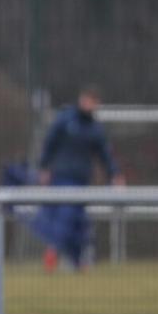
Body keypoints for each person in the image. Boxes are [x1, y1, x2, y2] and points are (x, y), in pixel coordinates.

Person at [33, 85, 124, 271]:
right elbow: (50, 143)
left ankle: (77, 261)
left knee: (78, 222)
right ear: (82, 99)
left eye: (93, 102)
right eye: (87, 100)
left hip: (81, 180)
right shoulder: (65, 120)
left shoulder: (94, 129)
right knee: (65, 217)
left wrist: (114, 174)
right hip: (61, 177)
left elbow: (104, 154)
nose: (89, 104)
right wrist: (44, 167)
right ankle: (53, 252)